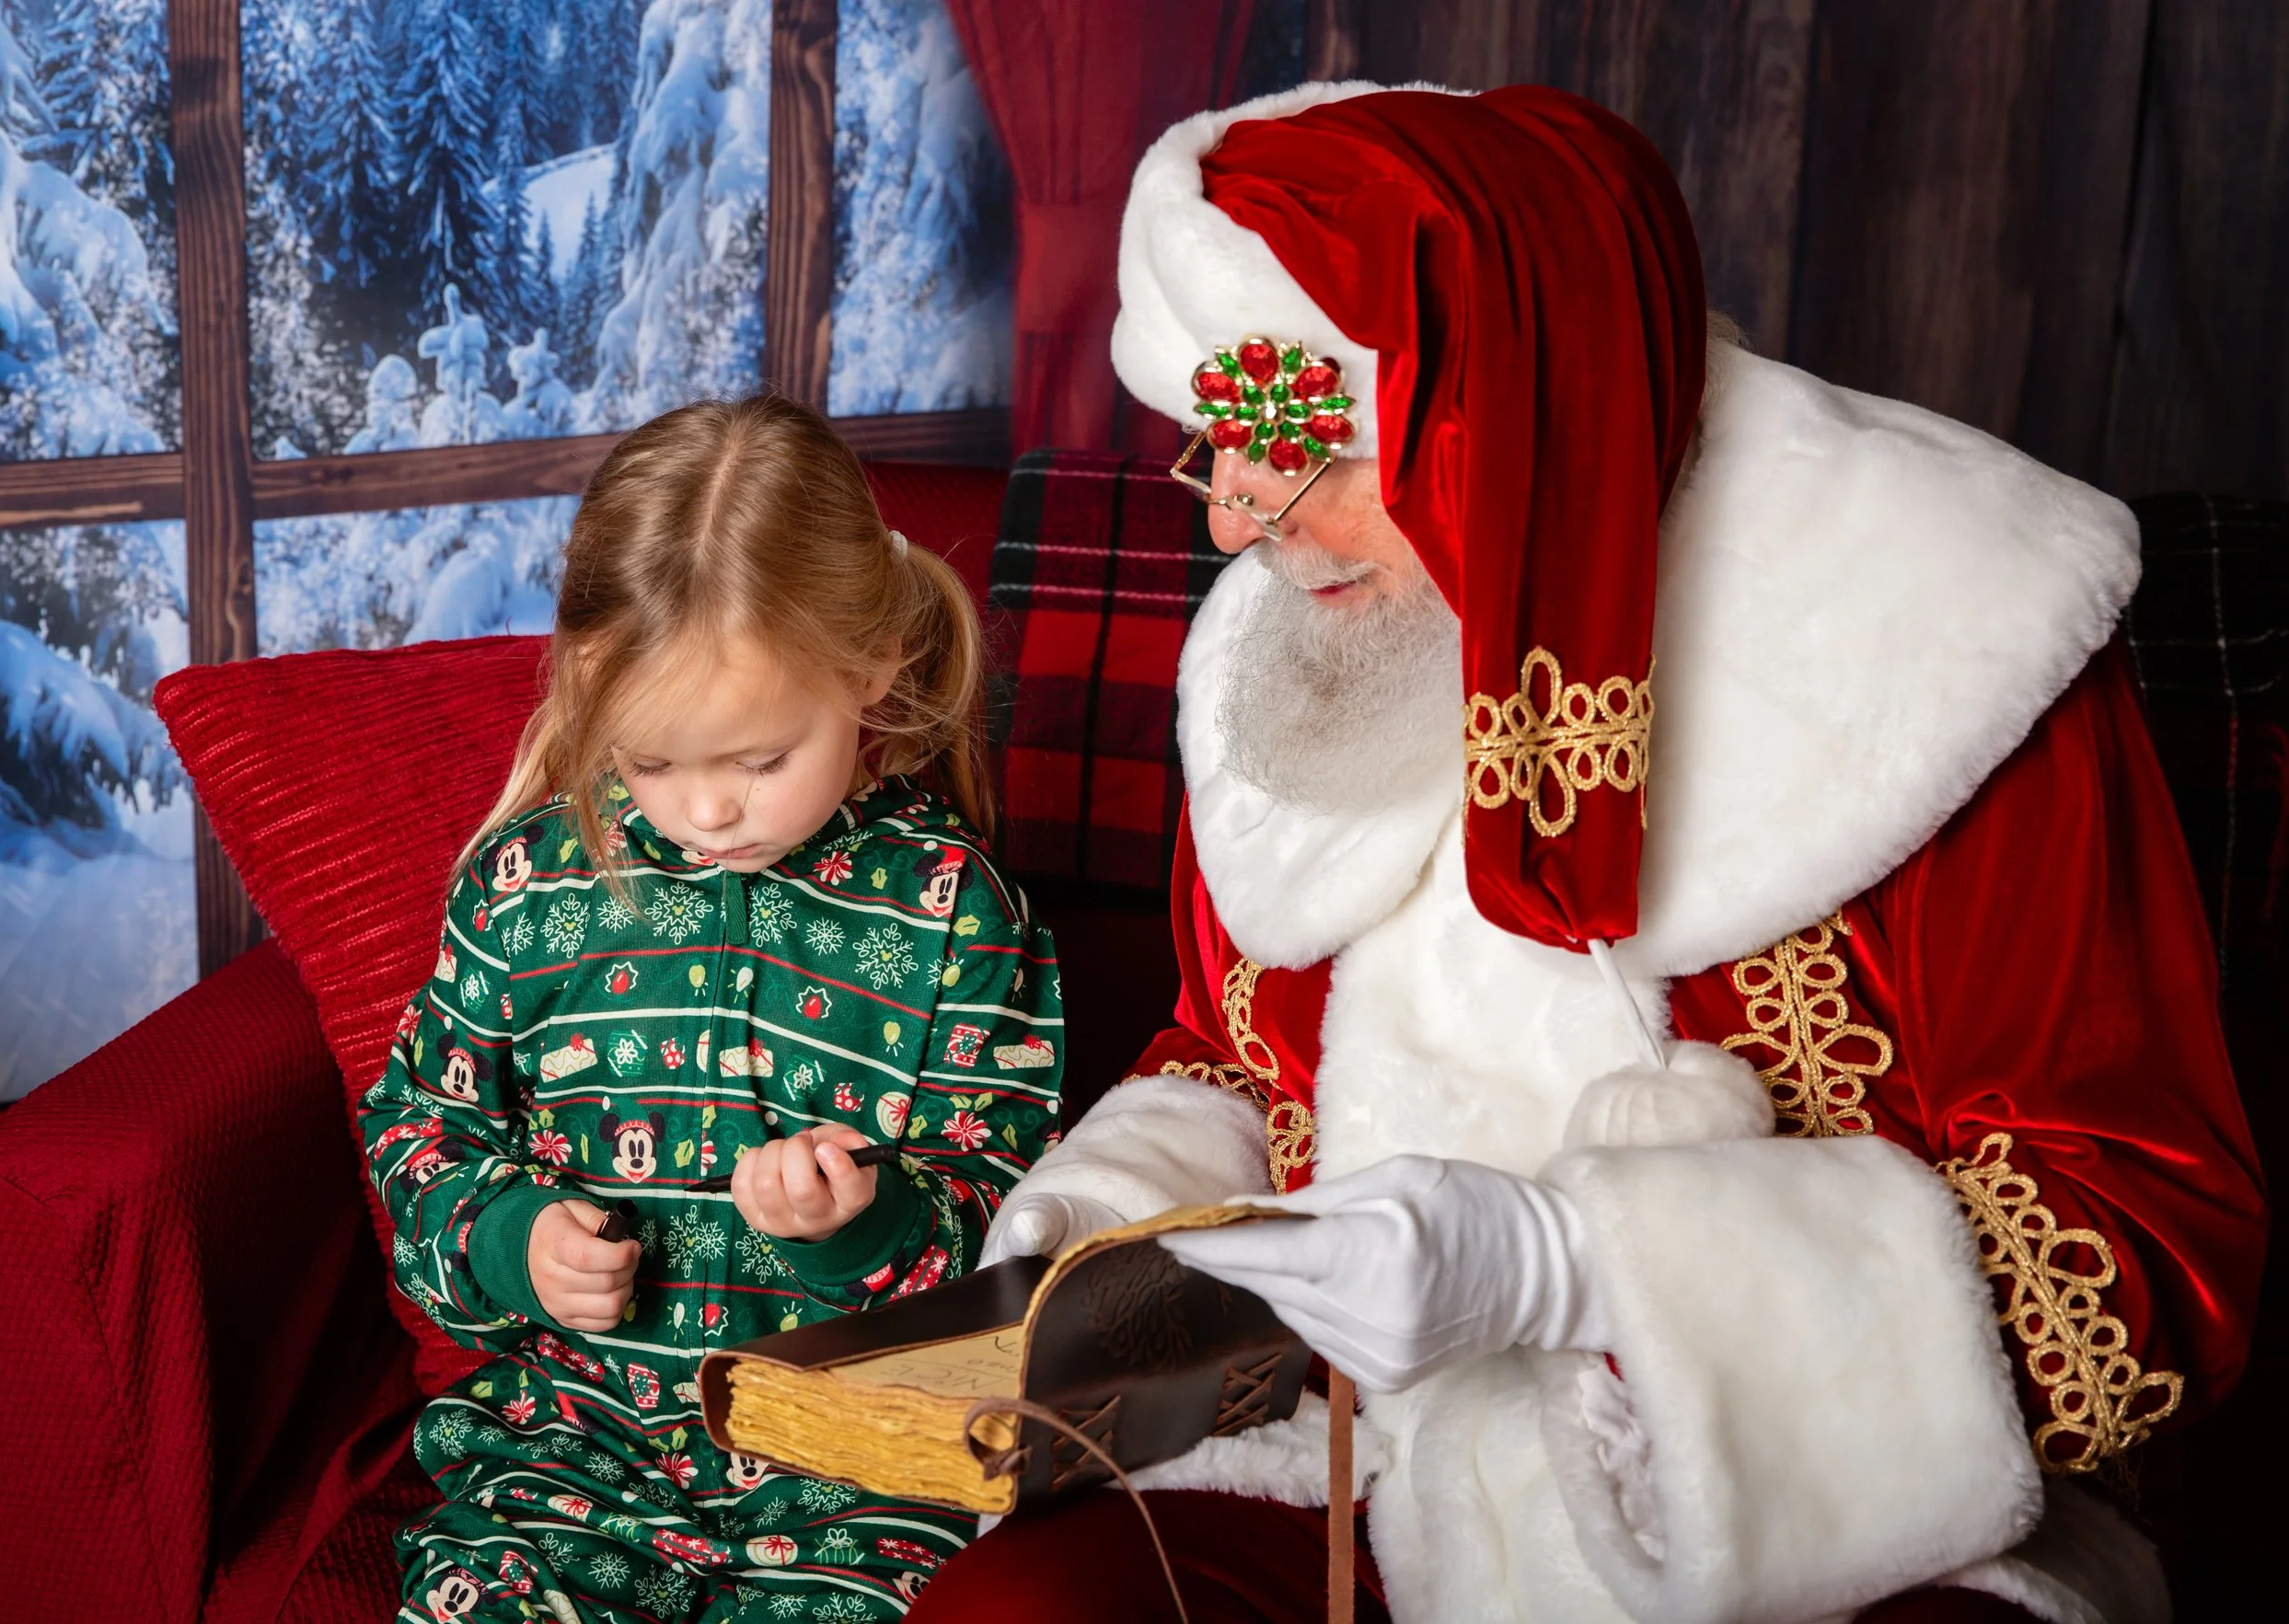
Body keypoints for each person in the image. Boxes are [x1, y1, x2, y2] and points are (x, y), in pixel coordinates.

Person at [908, 83, 2264, 1624]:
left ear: (1503, 422)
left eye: (1301, 450)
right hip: (1358, 1464)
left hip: (1805, 1511)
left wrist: (1583, 1273)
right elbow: (1234, 1058)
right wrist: (1096, 1236)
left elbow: (2148, 1244)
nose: (1241, 526)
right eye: (1217, 444)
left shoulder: (1952, 639)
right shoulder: (1294, 655)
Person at [360, 396, 1066, 1622]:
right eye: (651, 761)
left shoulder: (956, 911)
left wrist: (867, 1220)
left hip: (858, 1471)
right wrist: (506, 1238)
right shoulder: (530, 890)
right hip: (569, 1455)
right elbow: (420, 1125)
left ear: (870, 672)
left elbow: (1017, 1212)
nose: (707, 813)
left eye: (756, 759)